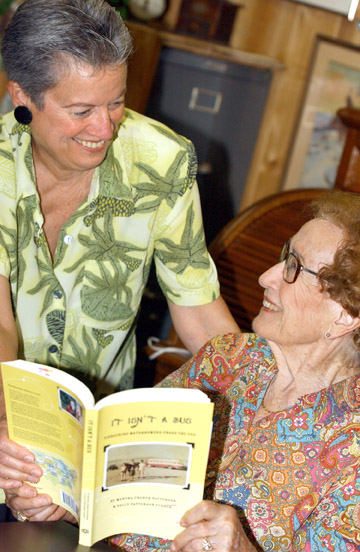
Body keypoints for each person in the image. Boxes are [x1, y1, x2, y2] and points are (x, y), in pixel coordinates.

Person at [0, 0, 239, 521]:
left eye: (116, 103)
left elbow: (199, 312)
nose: (105, 129)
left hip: (98, 439)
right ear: (22, 97)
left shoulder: (160, 161)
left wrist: (272, 398)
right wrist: (23, 445)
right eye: (81, 110)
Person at [106, 189, 360, 550]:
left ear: (345, 314)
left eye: (294, 268)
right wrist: (60, 495)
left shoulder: (351, 452)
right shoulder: (228, 358)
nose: (266, 277)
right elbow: (118, 469)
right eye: (284, 255)